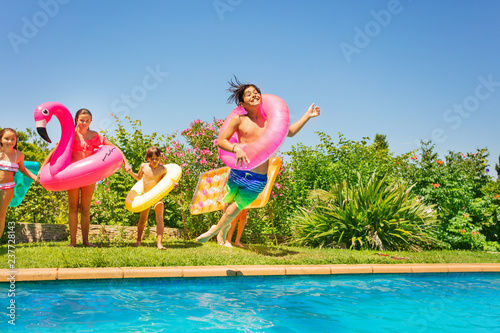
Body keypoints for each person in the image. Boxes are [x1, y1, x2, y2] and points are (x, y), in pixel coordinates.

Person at [197, 78, 320, 243]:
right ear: (242, 103)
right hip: (238, 172)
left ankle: (215, 230)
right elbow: (222, 141)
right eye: (249, 94)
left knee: (234, 210)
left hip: (257, 178)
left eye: (256, 92)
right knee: (228, 202)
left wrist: (307, 116)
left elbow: (289, 132)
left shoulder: (269, 121)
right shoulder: (239, 120)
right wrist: (236, 148)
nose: (254, 95)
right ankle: (221, 232)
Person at [39, 109, 131, 247]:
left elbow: (115, 148)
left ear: (91, 121)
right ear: (76, 119)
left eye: (87, 120)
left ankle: (86, 241)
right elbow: (54, 152)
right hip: (72, 177)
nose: (84, 123)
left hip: (89, 177)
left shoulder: (95, 136)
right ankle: (73, 242)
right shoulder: (69, 135)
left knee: (86, 209)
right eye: (82, 120)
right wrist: (41, 169)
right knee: (73, 208)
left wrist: (126, 162)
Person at [127, 146, 178, 249]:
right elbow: (139, 178)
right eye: (152, 159)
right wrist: (130, 172)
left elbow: (167, 182)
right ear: (148, 158)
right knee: (143, 219)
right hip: (146, 195)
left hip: (157, 197)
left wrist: (174, 185)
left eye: (157, 158)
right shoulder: (144, 166)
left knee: (159, 218)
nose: (154, 161)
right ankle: (138, 241)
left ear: (160, 158)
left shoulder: (163, 169)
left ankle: (159, 243)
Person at [0, 128, 38, 239]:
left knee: (1, 215)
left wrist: (36, 178)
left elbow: (23, 169)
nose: (10, 141)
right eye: (6, 138)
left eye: (13, 139)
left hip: (7, 188)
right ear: (1, 139)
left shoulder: (19, 155)